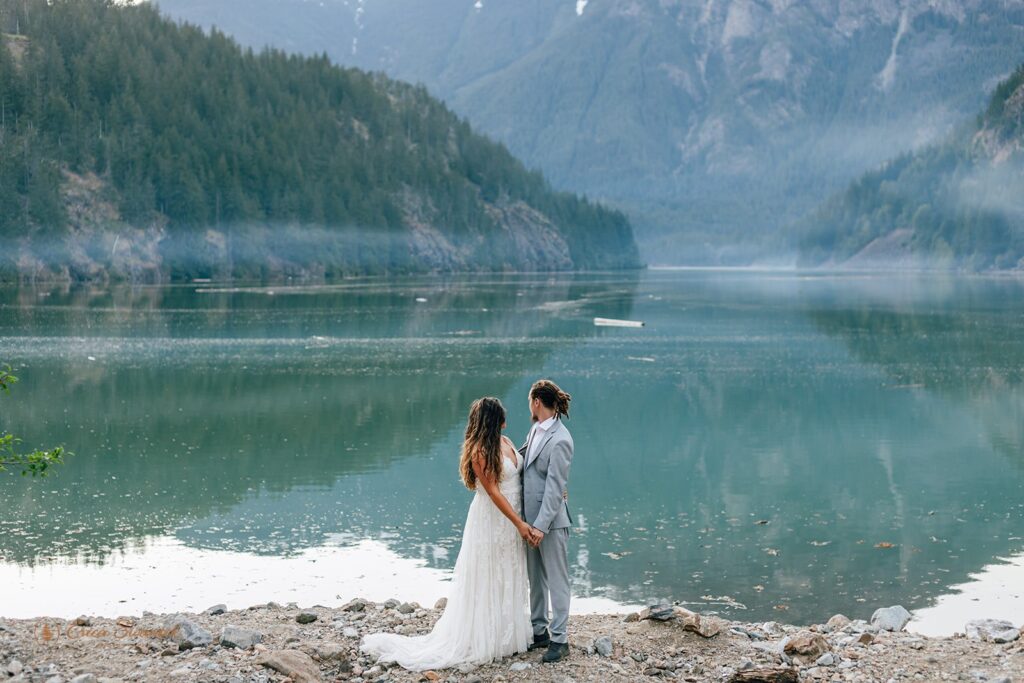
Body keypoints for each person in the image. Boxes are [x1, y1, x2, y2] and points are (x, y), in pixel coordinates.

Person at [360, 397, 534, 670]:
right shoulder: (479, 451)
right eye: (502, 416)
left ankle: (507, 635)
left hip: (512, 519)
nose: (506, 421)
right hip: (493, 520)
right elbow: (494, 493)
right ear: (493, 420)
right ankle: (485, 638)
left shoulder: (507, 441)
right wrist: (518, 523)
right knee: (488, 574)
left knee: (508, 571)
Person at [519, 379, 574, 663]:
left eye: (530, 400)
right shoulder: (534, 430)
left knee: (556, 580)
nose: (529, 405)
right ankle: (539, 631)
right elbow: (524, 462)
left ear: (536, 401)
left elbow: (555, 487)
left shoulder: (562, 438)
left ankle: (560, 639)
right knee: (536, 580)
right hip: (529, 520)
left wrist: (541, 525)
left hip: (550, 523)